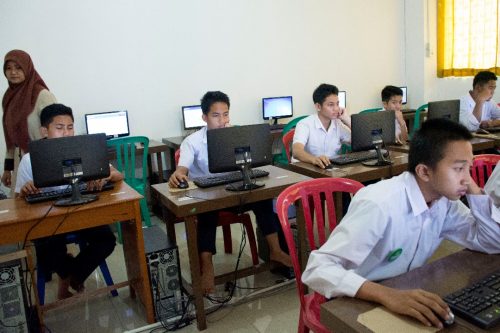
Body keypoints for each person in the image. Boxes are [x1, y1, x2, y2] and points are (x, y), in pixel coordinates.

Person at [302, 118, 500, 329]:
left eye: (469, 168)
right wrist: (387, 295)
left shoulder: (444, 202)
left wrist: (475, 191)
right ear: (424, 172)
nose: (467, 179)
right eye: (459, 169)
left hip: (403, 288)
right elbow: (317, 269)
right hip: (354, 297)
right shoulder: (380, 204)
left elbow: (492, 242)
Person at [168, 91, 292, 294]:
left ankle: (276, 251)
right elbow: (183, 167)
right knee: (207, 211)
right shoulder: (193, 142)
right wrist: (178, 174)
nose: (222, 120)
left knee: (263, 197)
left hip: (236, 190)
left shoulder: (236, 135)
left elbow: (251, 161)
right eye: (216, 115)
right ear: (204, 117)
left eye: (225, 114)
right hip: (210, 196)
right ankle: (207, 265)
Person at [15, 104, 120, 299]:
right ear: (44, 131)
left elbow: (117, 175)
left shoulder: (83, 150)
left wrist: (104, 176)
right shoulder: (29, 160)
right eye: (60, 127)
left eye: (70, 127)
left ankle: (72, 276)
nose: (66, 132)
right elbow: (18, 198)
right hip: (49, 218)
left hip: (81, 213)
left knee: (106, 239)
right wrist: (25, 190)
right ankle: (71, 274)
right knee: (48, 246)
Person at [2, 50, 57, 190]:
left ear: (28, 68)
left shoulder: (42, 95)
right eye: (8, 68)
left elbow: (55, 131)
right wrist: (8, 169)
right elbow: (10, 136)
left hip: (42, 161)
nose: (13, 72)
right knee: (21, 206)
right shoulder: (8, 98)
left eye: (18, 67)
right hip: (19, 162)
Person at [292, 83, 351, 169]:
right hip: (306, 170)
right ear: (318, 106)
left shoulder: (337, 123)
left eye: (337, 104)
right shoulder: (304, 124)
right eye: (331, 105)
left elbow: (360, 143)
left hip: (329, 169)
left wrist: (347, 120)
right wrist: (314, 159)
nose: (336, 108)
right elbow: (296, 151)